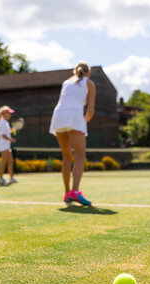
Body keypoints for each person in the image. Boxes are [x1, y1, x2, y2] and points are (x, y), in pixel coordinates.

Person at [49, 61, 95, 205]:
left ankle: (67, 193)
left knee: (67, 156)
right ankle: (75, 192)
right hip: (74, 116)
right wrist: (81, 124)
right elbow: (90, 111)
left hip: (58, 116)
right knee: (80, 155)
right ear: (88, 72)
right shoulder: (90, 84)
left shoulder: (66, 82)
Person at [0, 105, 17, 186]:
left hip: (7, 145)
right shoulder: (1, 122)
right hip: (3, 145)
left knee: (10, 161)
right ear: (4, 113)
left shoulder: (5, 122)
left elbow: (7, 132)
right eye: (9, 113)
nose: (10, 115)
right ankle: (1, 179)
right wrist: (11, 139)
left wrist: (12, 130)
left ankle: (11, 178)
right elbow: (3, 135)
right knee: (4, 161)